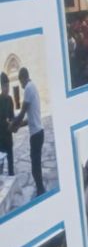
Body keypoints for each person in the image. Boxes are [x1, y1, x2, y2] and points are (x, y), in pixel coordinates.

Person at [13, 67, 45, 196]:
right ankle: (40, 189)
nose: (20, 85)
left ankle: (41, 191)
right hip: (39, 131)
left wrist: (13, 125)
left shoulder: (28, 88)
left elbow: (22, 112)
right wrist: (18, 126)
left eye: (20, 81)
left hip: (36, 135)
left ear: (23, 78)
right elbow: (29, 119)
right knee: (36, 165)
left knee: (35, 167)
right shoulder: (33, 87)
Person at [0, 74, 14, 176]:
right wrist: (6, 122)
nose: (7, 88)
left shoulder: (10, 99)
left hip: (8, 135)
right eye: (5, 86)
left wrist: (14, 123)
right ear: (1, 86)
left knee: (10, 161)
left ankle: (11, 175)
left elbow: (12, 116)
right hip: (0, 138)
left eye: (8, 86)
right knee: (1, 163)